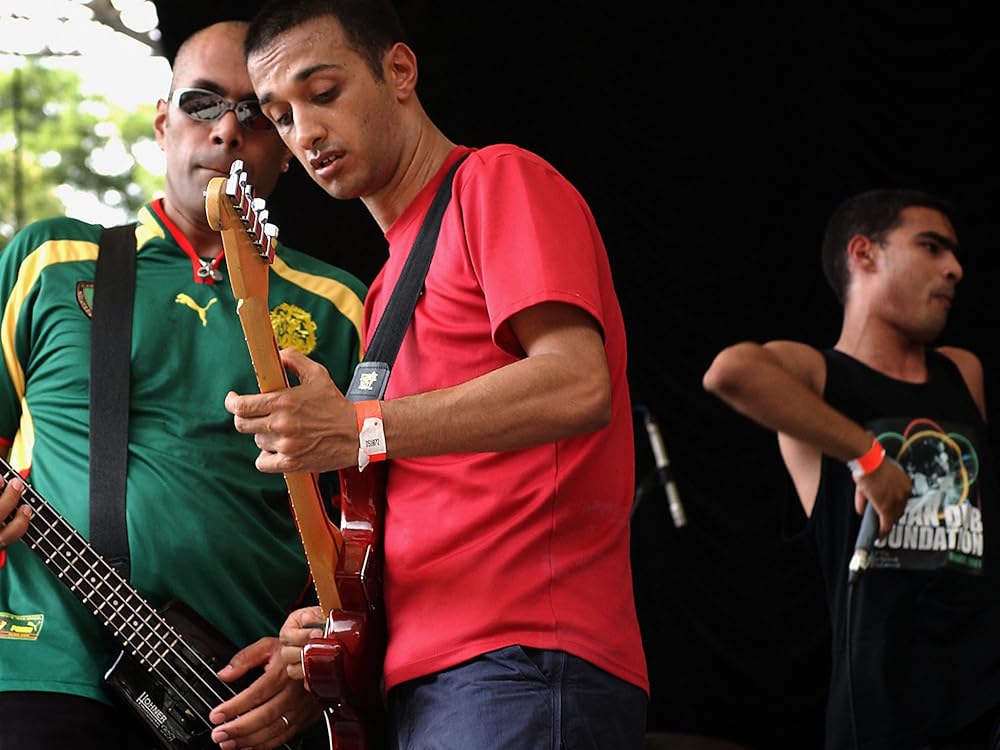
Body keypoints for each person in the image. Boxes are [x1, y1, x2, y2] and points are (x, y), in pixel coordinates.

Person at [219, 1, 651, 748]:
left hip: (523, 657)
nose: (306, 132)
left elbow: (577, 383)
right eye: (281, 117)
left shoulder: (497, 180)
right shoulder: (385, 286)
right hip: (429, 677)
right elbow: (431, 497)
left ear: (399, 70)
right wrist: (335, 622)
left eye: (323, 93)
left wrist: (359, 427)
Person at [0, 20, 367, 750]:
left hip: (239, 698)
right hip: (45, 668)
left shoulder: (341, 305)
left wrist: (320, 654)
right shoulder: (51, 260)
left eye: (256, 114)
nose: (227, 131)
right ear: (163, 121)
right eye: (202, 104)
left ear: (288, 146)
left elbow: (381, 529)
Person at [703, 188, 1000, 749]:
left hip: (985, 697)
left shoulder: (962, 371)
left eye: (955, 254)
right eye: (931, 247)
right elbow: (730, 372)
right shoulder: (815, 375)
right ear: (864, 253)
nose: (955, 269)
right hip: (884, 712)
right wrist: (867, 455)